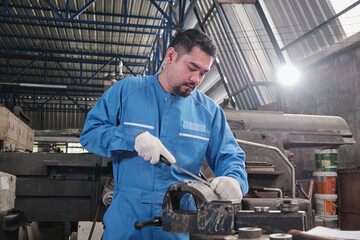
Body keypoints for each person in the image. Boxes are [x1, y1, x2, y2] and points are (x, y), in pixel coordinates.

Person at [80, 28, 248, 240]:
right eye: (192, 68)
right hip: (126, 219)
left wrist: (234, 180)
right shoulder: (126, 92)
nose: (196, 79)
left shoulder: (209, 112)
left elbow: (229, 156)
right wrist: (133, 137)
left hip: (178, 222)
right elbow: (91, 133)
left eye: (203, 73)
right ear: (171, 56)